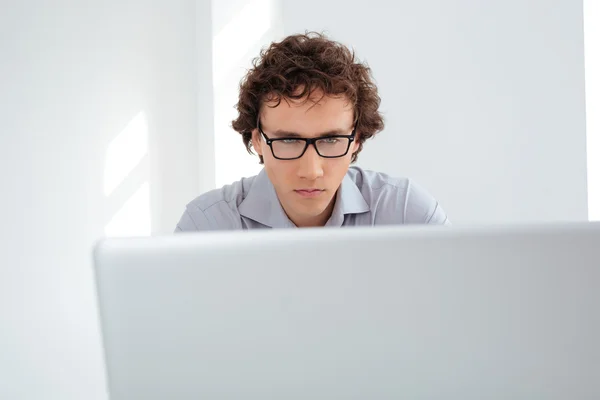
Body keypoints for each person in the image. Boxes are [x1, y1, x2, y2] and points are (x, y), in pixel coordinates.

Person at [175, 32, 449, 231]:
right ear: (257, 140)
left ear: (356, 139)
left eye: (331, 139)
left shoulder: (408, 215)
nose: (311, 171)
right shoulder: (207, 226)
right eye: (289, 140)